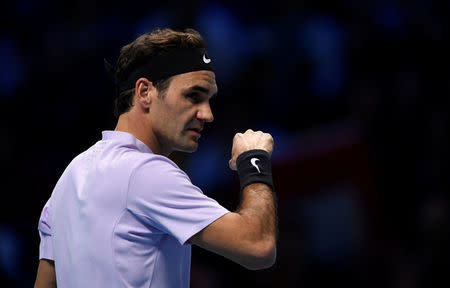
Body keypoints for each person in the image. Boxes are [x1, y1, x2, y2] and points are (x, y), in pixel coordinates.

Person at [34, 28, 277, 288]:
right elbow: (258, 245)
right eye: (193, 96)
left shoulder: (68, 180)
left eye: (209, 100)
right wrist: (254, 160)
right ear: (144, 92)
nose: (207, 114)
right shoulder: (146, 172)